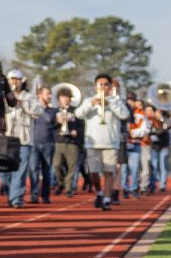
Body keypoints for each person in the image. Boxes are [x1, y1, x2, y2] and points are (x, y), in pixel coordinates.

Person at [75, 74, 130, 210]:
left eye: (106, 84)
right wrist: (91, 104)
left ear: (110, 87)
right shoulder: (89, 100)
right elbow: (78, 114)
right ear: (95, 86)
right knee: (93, 172)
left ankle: (106, 199)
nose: (103, 87)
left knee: (109, 171)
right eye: (100, 84)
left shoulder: (116, 101)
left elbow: (125, 115)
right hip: (92, 143)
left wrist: (111, 104)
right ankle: (99, 192)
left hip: (110, 143)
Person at [1, 70, 38, 208]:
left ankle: (16, 198)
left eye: (17, 79)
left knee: (20, 170)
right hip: (6, 138)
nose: (14, 82)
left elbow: (38, 112)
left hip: (24, 139)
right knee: (4, 171)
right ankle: (10, 192)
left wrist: (23, 103)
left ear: (22, 81)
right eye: (11, 79)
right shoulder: (3, 97)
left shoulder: (29, 97)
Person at [49, 87, 83, 197]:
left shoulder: (76, 111)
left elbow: (81, 126)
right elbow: (50, 125)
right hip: (59, 141)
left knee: (72, 167)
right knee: (57, 165)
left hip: (72, 142)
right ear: (59, 99)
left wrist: (76, 131)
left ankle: (68, 188)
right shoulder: (55, 111)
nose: (65, 99)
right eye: (63, 97)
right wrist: (57, 121)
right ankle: (61, 183)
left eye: (67, 97)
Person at [29, 85, 55, 203]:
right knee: (33, 169)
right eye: (47, 94)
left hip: (48, 143)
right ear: (40, 95)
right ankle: (34, 195)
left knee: (47, 171)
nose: (50, 96)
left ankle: (45, 196)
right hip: (34, 142)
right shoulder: (33, 109)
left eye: (50, 94)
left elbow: (57, 126)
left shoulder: (53, 110)